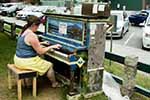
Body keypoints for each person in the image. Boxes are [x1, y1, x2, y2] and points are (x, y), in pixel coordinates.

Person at [14, 16, 61, 88]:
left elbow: (27, 44)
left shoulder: (23, 31)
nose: (38, 28)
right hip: (25, 61)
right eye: (38, 26)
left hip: (17, 59)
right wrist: (52, 46)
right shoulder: (32, 35)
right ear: (33, 25)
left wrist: (41, 43)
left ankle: (30, 82)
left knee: (40, 59)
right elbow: (40, 52)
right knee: (49, 65)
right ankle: (54, 83)